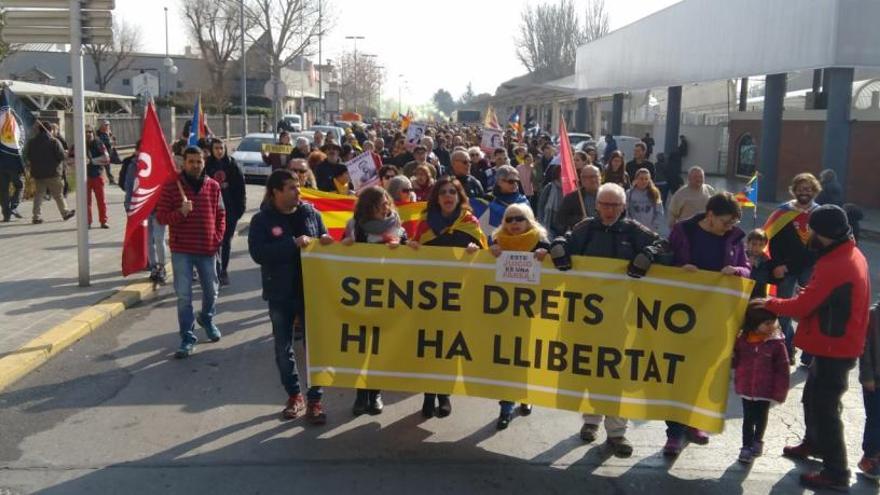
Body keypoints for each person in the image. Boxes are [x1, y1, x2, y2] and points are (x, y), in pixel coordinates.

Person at [550, 182, 667, 458]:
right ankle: (590, 422)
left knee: (617, 374)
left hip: (622, 318)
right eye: (605, 204)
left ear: (623, 206)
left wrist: (648, 254)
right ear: (597, 205)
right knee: (591, 367)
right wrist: (558, 247)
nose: (610, 210)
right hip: (587, 318)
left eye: (615, 205)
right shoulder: (585, 228)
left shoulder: (633, 230)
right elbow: (563, 238)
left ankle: (616, 433)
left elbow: (664, 244)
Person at [757, 204, 870, 492]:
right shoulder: (845, 252)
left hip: (836, 345)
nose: (808, 234)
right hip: (834, 342)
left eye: (813, 230)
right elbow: (821, 295)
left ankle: (836, 471)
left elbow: (803, 307)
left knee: (826, 408)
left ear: (826, 234)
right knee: (812, 399)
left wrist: (769, 302)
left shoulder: (837, 263)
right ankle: (814, 443)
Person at [664, 192, 749, 456]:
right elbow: (663, 260)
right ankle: (674, 433)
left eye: (733, 222)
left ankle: (695, 422)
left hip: (715, 317)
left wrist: (737, 272)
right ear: (709, 215)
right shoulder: (683, 231)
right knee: (679, 374)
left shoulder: (735, 237)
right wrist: (680, 267)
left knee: (705, 373)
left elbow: (747, 269)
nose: (730, 227)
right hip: (682, 315)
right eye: (726, 222)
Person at [248, 169, 332, 424]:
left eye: (299, 186)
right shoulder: (262, 220)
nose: (298, 192)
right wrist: (292, 244)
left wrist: (326, 241)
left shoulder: (311, 213)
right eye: (292, 188)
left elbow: (324, 238)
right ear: (276, 191)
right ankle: (295, 396)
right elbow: (259, 253)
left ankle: (315, 399)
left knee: (315, 349)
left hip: (312, 292)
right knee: (284, 348)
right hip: (280, 293)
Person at [408, 176, 487, 418]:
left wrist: (476, 251)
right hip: (430, 297)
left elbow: (486, 258)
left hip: (458, 298)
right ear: (437, 197)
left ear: (459, 196)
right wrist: (408, 247)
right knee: (430, 347)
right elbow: (410, 254)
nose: (448, 196)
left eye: (453, 191)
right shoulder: (424, 223)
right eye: (443, 192)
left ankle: (444, 395)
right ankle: (428, 395)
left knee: (450, 348)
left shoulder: (470, 223)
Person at [341, 186, 409, 416]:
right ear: (368, 207)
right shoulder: (354, 227)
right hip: (361, 295)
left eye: (387, 204)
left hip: (388, 295)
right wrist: (345, 248)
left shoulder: (397, 226)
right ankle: (361, 394)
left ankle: (376, 393)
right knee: (361, 347)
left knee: (379, 347)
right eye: (380, 205)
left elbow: (412, 256)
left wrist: (401, 247)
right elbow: (337, 259)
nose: (385, 208)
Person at [156, 146, 226, 358]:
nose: (195, 165)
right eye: (191, 161)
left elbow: (222, 215)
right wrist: (180, 212)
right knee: (184, 296)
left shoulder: (213, 186)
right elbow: (161, 218)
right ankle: (187, 336)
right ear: (183, 163)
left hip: (207, 248)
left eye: (199, 161)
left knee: (211, 291)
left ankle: (206, 317)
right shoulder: (171, 187)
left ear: (204, 162)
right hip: (182, 250)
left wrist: (217, 238)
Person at [489, 203, 547, 430]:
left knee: (527, 358)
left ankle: (526, 395)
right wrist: (488, 253)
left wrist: (548, 255)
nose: (514, 223)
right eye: (510, 219)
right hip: (504, 313)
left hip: (532, 313)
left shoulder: (542, 243)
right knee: (507, 359)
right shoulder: (495, 243)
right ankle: (506, 406)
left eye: (519, 219)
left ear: (529, 220)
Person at [764, 173, 820, 366]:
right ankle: (788, 348)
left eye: (809, 189)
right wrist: (776, 264)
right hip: (786, 268)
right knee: (783, 311)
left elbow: (824, 245)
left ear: (814, 191)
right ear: (794, 190)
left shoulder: (820, 214)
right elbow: (771, 241)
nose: (805, 192)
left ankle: (810, 353)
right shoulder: (782, 213)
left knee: (811, 310)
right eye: (801, 189)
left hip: (811, 268)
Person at [732, 303, 790, 464]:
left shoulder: (777, 344)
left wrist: (780, 392)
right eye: (767, 323)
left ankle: (758, 440)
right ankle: (746, 447)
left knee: (761, 416)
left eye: (773, 322)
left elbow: (783, 370)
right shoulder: (743, 341)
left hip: (765, 390)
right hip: (746, 388)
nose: (772, 326)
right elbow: (735, 360)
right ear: (753, 324)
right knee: (748, 419)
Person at [123, 141, 167, 284]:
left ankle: (162, 266)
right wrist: (129, 206)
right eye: (140, 150)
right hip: (143, 208)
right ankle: (153, 267)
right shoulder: (133, 166)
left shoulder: (159, 163)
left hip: (159, 208)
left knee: (159, 239)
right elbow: (129, 187)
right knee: (148, 240)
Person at [205, 138, 247, 286]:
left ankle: (223, 270)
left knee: (226, 241)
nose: (219, 151)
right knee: (214, 241)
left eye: (221, 148)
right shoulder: (206, 165)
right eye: (216, 148)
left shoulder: (232, 165)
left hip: (230, 210)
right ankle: (214, 268)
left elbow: (241, 188)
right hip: (210, 210)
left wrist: (240, 209)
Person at [24, 121, 75, 224]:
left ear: (39, 130)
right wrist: (65, 153)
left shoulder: (32, 142)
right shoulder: (54, 141)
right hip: (53, 173)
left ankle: (36, 217)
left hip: (38, 173)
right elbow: (61, 156)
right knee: (58, 195)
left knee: (39, 195)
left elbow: (28, 156)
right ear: (50, 130)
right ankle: (65, 213)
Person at [860, 302, 880, 480]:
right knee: (875, 419)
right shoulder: (873, 315)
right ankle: (871, 458)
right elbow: (864, 348)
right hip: (875, 380)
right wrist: (867, 376)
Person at [553, 164, 599, 236]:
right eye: (589, 177)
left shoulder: (608, 195)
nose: (593, 180)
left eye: (595, 176)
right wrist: (580, 219)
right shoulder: (572, 198)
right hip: (582, 237)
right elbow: (560, 220)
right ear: (582, 180)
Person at [85, 127, 110, 229]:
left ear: (93, 133)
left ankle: (103, 221)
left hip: (97, 175)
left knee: (101, 200)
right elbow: (70, 159)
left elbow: (106, 158)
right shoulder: (78, 144)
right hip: (85, 177)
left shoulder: (99, 143)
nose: (88, 134)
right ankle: (87, 221)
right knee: (86, 201)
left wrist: (92, 161)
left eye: (90, 132)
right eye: (86, 132)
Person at [626, 168, 664, 233]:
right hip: (634, 229)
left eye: (646, 179)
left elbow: (659, 211)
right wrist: (630, 224)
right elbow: (626, 210)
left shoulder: (654, 192)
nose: (644, 181)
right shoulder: (629, 193)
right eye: (641, 179)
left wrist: (655, 225)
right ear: (636, 179)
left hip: (650, 230)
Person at [536, 166, 563, 237]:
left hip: (563, 225)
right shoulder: (549, 187)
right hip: (549, 223)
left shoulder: (570, 188)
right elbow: (541, 206)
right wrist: (541, 222)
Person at [746, 228, 772, 299]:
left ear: (765, 245)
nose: (757, 247)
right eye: (754, 244)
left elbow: (762, 280)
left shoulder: (766, 261)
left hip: (757, 295)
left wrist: (755, 267)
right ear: (748, 243)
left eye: (760, 245)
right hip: (742, 292)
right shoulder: (742, 255)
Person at [96, 120, 118, 185]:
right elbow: (102, 142)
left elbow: (112, 141)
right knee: (101, 168)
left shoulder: (108, 133)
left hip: (108, 153)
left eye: (108, 125)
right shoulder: (99, 133)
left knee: (107, 167)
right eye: (106, 125)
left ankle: (111, 180)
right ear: (102, 126)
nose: (107, 126)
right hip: (101, 153)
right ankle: (101, 180)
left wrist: (113, 140)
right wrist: (110, 142)